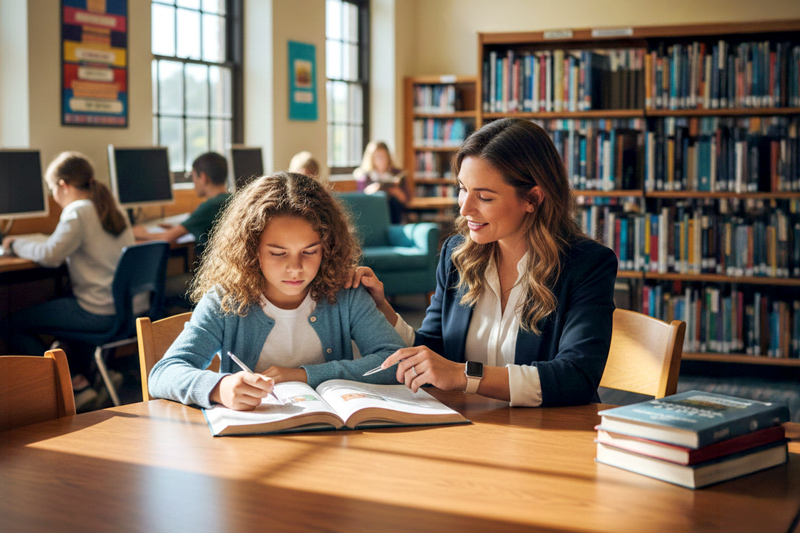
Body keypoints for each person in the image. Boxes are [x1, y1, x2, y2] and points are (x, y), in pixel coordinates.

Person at [348, 118, 618, 407]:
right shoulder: (457, 255)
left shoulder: (587, 265)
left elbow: (576, 377)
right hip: (471, 427)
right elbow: (436, 352)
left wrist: (466, 376)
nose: (464, 208)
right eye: (463, 188)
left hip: (549, 432)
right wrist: (382, 308)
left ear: (533, 199)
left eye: (484, 197)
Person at [148, 172, 407, 411]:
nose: (295, 268)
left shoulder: (345, 292)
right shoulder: (224, 300)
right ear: (251, 250)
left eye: (309, 251)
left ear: (327, 247)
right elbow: (164, 373)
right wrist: (219, 387)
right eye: (277, 253)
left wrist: (305, 375)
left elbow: (395, 361)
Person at [2, 151, 134, 406]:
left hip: (95, 312)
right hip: (121, 310)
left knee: (10, 325)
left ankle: (73, 385)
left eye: (52, 188)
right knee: (59, 301)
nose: (53, 195)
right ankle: (91, 379)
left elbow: (50, 256)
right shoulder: (111, 206)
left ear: (63, 185)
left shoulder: (77, 211)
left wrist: (15, 243)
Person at [133, 151, 231, 255]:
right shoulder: (232, 199)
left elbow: (166, 237)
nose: (194, 183)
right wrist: (183, 227)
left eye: (193, 177)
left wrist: (139, 233)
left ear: (203, 177)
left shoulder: (209, 206)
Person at [353, 141, 407, 224]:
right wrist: (371, 190)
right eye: (377, 157)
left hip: (393, 212)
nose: (381, 160)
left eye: (384, 156)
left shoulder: (397, 174)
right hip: (373, 212)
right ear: (371, 158)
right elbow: (360, 200)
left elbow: (406, 198)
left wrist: (396, 192)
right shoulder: (365, 177)